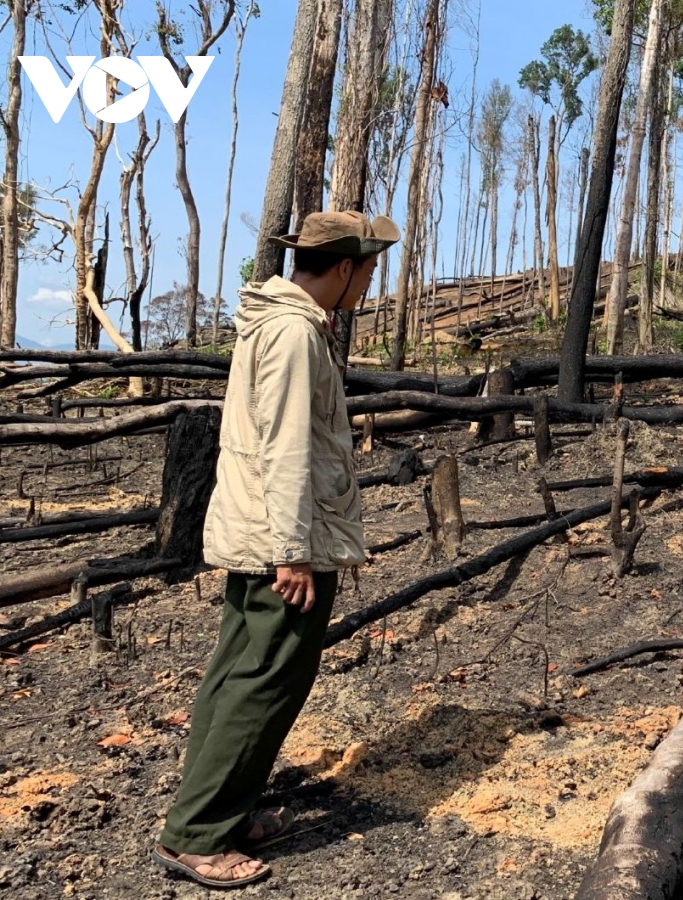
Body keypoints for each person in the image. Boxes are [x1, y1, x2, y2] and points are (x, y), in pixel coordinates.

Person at [152, 211, 398, 888]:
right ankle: (196, 837)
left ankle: (220, 813)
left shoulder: (278, 323)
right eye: (370, 270)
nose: (371, 283)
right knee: (263, 684)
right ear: (344, 269)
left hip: (264, 532)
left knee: (239, 676)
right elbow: (287, 449)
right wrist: (293, 553)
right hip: (282, 541)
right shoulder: (293, 335)